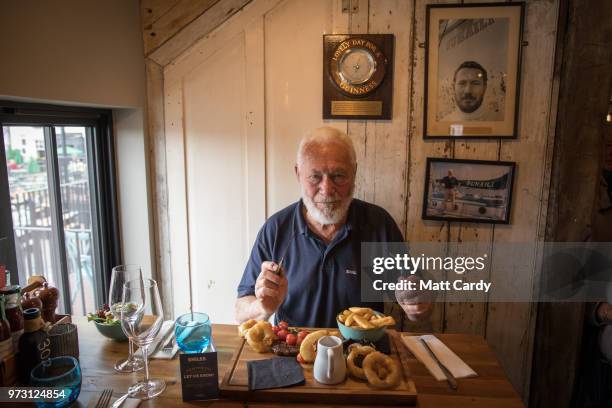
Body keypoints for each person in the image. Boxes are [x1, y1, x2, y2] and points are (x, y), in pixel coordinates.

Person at [235, 127, 432, 327]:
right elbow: (241, 311)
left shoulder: (379, 224)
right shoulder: (276, 229)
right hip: (291, 352)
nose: (327, 189)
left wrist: (417, 304)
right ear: (298, 173)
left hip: (362, 352)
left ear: (354, 173)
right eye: (315, 177)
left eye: (338, 175)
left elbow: (419, 310)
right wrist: (262, 307)